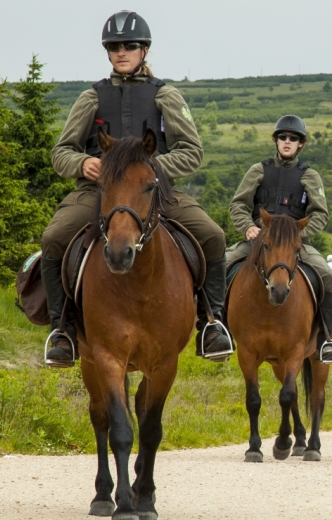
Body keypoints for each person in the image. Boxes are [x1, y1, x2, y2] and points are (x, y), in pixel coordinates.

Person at [39, 10, 231, 368]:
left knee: (213, 235)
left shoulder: (166, 96)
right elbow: (60, 152)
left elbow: (193, 152)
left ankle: (211, 322)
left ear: (144, 50)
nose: (121, 52)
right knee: (54, 238)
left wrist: (151, 171)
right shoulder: (90, 98)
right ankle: (61, 329)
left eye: (129, 46)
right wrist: (83, 164)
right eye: (114, 47)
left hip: (152, 191)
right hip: (99, 192)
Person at [227, 115, 332, 364]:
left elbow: (320, 213)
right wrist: (247, 227)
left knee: (327, 276)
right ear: (276, 141)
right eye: (282, 137)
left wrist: (297, 236)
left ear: (301, 144)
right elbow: (238, 205)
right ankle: (215, 329)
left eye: (293, 138)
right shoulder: (258, 170)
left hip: (295, 243)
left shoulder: (309, 176)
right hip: (260, 239)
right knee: (221, 264)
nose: (287, 141)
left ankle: (325, 341)